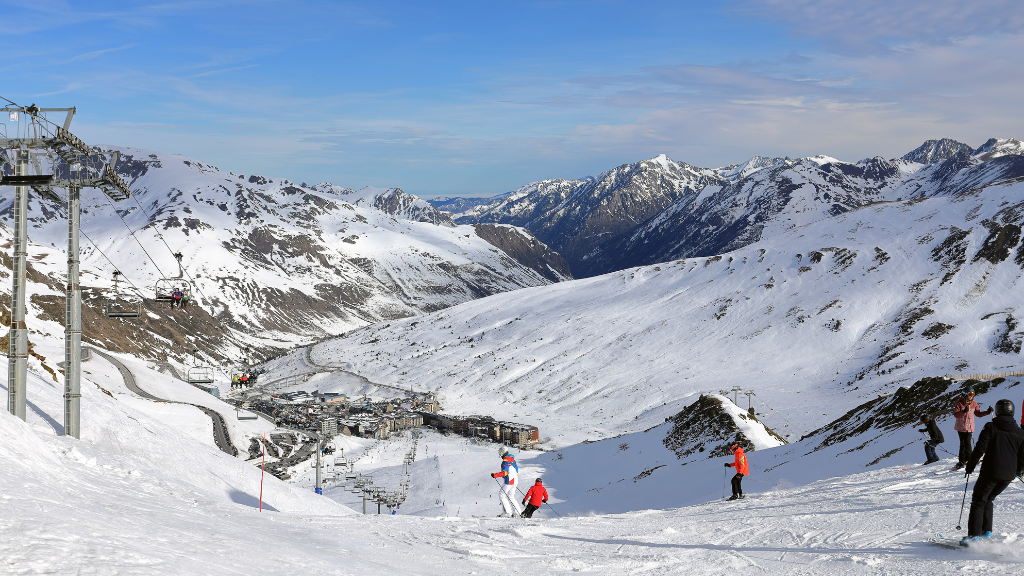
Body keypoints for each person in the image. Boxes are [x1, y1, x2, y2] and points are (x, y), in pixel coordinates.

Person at [962, 399, 1024, 545]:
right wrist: (1018, 472)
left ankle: (973, 537)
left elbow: (979, 448)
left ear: (997, 411)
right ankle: (986, 533)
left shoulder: (991, 426)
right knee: (988, 499)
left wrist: (970, 466)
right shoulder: (1021, 432)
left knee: (978, 500)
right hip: (1008, 476)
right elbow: (1023, 456)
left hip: (991, 472)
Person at [953, 387, 993, 471]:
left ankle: (968, 459)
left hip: (970, 427)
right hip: (961, 427)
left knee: (967, 443)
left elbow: (978, 414)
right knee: (963, 443)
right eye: (970, 394)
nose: (971, 396)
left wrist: (987, 412)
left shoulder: (974, 403)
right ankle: (963, 461)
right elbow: (956, 415)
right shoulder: (959, 403)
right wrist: (963, 412)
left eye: (973, 394)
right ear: (965, 394)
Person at [491, 447, 522, 517]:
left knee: (502, 494)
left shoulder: (505, 462)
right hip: (515, 480)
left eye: (500, 453)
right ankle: (517, 512)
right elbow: (516, 470)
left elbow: (505, 473)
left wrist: (495, 475)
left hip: (509, 481)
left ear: (502, 453)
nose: (500, 455)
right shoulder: (513, 460)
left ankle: (507, 512)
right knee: (511, 496)